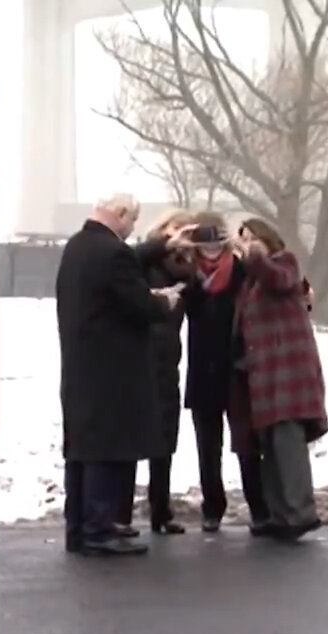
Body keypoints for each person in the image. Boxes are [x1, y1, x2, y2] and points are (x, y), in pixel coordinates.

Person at [56, 193, 182, 556]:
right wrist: (164, 301)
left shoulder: (79, 247)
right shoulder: (112, 253)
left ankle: (79, 528)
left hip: (81, 368)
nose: (133, 229)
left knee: (81, 450)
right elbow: (138, 303)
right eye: (133, 221)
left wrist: (162, 245)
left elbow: (121, 270)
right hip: (110, 371)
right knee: (105, 449)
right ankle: (100, 529)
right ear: (122, 214)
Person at [166, 212, 270, 534]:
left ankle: (259, 507)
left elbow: (278, 280)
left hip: (237, 369)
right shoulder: (189, 276)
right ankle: (212, 507)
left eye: (216, 245)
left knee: (247, 446)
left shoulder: (241, 272)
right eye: (204, 246)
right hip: (202, 370)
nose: (211, 252)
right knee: (206, 448)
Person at [230, 219, 327, 541]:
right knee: (270, 446)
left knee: (288, 444)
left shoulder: (284, 263)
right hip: (265, 373)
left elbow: (279, 278)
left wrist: (253, 253)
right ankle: (280, 514)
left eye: (253, 238)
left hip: (289, 373)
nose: (246, 245)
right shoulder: (250, 281)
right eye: (242, 239)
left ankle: (300, 512)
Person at [116, 208, 196, 536]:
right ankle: (121, 514)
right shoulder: (140, 262)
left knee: (165, 439)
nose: (177, 238)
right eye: (173, 231)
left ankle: (160, 510)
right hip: (140, 357)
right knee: (133, 439)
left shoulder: (185, 270)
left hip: (168, 361)